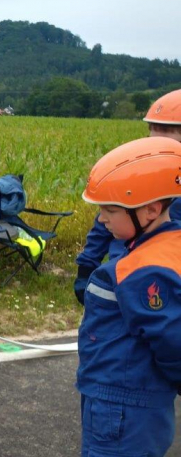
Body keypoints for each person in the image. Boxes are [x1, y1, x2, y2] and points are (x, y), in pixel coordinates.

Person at [33, 136, 181, 457]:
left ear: (151, 208)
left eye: (110, 211)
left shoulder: (143, 269)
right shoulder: (163, 243)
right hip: (143, 400)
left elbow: (172, 341)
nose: (100, 220)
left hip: (122, 395)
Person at [74, 88, 181, 304]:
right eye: (153, 130)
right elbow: (105, 220)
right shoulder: (138, 172)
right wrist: (87, 265)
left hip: (165, 282)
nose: (156, 140)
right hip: (123, 274)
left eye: (168, 132)